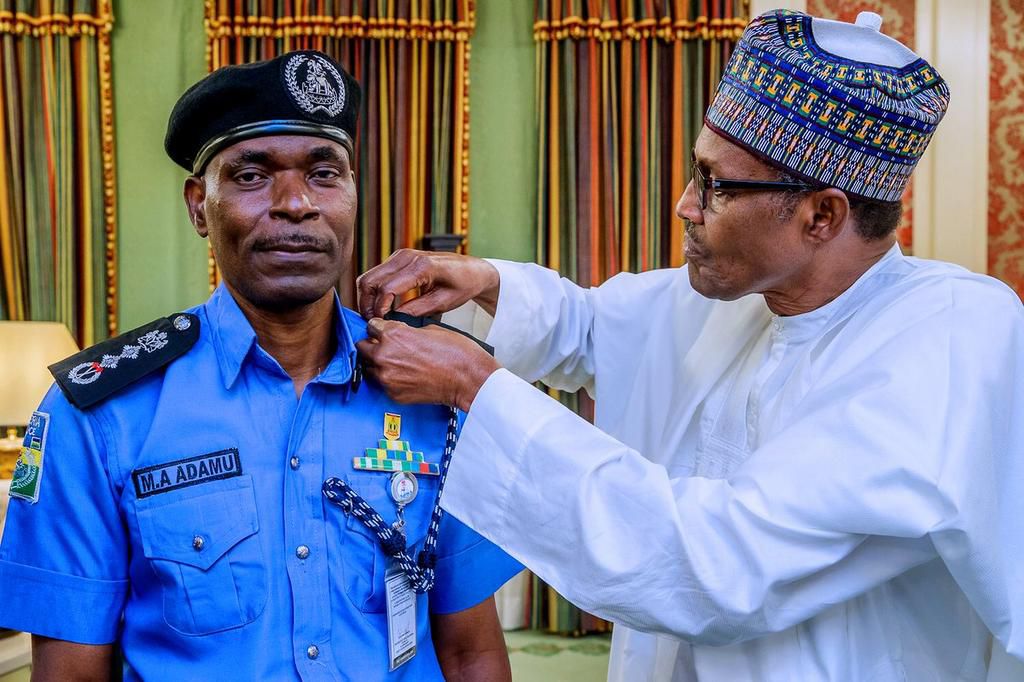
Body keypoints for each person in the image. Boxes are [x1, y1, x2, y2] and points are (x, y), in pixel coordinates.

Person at [354, 11, 1024, 682]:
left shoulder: (949, 337)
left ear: (822, 215)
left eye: (717, 186)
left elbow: (718, 567)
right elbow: (592, 328)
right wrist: (484, 281)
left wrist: (476, 387)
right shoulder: (745, 299)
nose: (685, 205)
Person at [0, 50, 520, 681]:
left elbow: (471, 650)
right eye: (252, 176)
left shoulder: (435, 393)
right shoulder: (102, 414)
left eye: (325, 173)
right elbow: (71, 673)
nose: (296, 203)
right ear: (198, 206)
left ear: (354, 194)